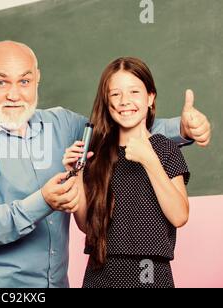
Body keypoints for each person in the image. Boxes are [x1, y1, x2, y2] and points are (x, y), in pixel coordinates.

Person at [0, 41, 211, 288]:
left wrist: (183, 129)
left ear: (37, 79)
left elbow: (121, 129)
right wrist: (42, 201)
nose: (14, 94)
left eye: (24, 81)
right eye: (1, 82)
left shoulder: (61, 125)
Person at [64, 57, 191, 288]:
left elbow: (180, 215)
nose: (125, 101)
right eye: (115, 94)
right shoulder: (96, 153)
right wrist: (77, 174)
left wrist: (150, 160)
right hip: (100, 272)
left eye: (134, 91)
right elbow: (85, 225)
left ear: (150, 97)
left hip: (151, 272)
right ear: (107, 101)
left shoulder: (165, 148)